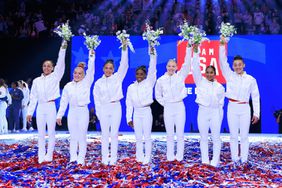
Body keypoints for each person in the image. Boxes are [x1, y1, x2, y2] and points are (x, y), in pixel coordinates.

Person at [219, 37, 260, 164]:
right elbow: (222, 61)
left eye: (239, 65)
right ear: (233, 66)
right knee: (233, 135)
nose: (237, 67)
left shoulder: (251, 79)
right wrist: (222, 45)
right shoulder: (229, 76)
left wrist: (256, 113)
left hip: (245, 108)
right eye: (235, 65)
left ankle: (244, 158)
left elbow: (255, 96)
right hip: (232, 107)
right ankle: (234, 158)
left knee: (244, 136)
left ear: (243, 65)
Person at [27, 40, 68, 163]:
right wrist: (29, 112)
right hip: (40, 107)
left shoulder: (56, 76)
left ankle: (49, 155)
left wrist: (63, 47)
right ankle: (40, 156)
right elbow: (33, 97)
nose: (46, 68)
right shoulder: (36, 81)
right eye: (45, 66)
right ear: (42, 67)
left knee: (51, 132)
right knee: (40, 133)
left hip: (50, 107)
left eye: (49, 66)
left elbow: (61, 63)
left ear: (53, 68)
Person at [57, 49, 95, 166]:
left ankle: (81, 158)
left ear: (83, 75)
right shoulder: (68, 86)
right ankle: (73, 157)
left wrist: (91, 54)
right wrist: (59, 115)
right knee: (73, 136)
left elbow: (91, 70)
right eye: (75, 73)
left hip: (83, 111)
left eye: (79, 73)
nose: (77, 75)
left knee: (82, 136)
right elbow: (64, 102)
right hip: (72, 112)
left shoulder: (87, 82)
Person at [93, 43, 129, 165]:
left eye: (110, 68)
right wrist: (99, 113)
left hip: (115, 107)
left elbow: (124, 65)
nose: (108, 70)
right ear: (103, 69)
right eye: (106, 68)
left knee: (114, 134)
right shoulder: (98, 83)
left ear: (113, 69)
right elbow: (96, 100)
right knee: (104, 135)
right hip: (103, 108)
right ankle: (104, 158)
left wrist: (124, 48)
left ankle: (113, 159)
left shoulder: (117, 78)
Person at [155, 46, 191, 161]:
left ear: (176, 67)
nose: (171, 68)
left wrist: (189, 48)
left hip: (179, 106)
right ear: (166, 67)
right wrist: (166, 104)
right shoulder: (161, 80)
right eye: (169, 66)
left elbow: (187, 64)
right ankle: (170, 157)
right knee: (169, 134)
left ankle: (179, 157)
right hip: (168, 108)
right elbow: (157, 95)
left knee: (180, 134)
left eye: (173, 66)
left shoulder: (180, 77)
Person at [191, 45, 225, 167]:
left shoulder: (220, 87)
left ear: (215, 74)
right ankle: (205, 160)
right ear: (205, 73)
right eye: (207, 72)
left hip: (215, 112)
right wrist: (195, 52)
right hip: (203, 112)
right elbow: (195, 68)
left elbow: (221, 105)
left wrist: (219, 117)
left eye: (212, 73)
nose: (209, 74)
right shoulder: (200, 82)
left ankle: (215, 161)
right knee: (203, 137)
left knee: (216, 137)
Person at [126, 47, 157, 165]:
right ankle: (139, 157)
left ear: (145, 75)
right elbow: (128, 103)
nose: (139, 75)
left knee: (147, 136)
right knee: (138, 137)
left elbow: (153, 69)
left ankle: (147, 157)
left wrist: (153, 54)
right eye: (137, 74)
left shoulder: (149, 83)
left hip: (146, 111)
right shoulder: (131, 87)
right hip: (136, 113)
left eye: (142, 74)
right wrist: (129, 118)